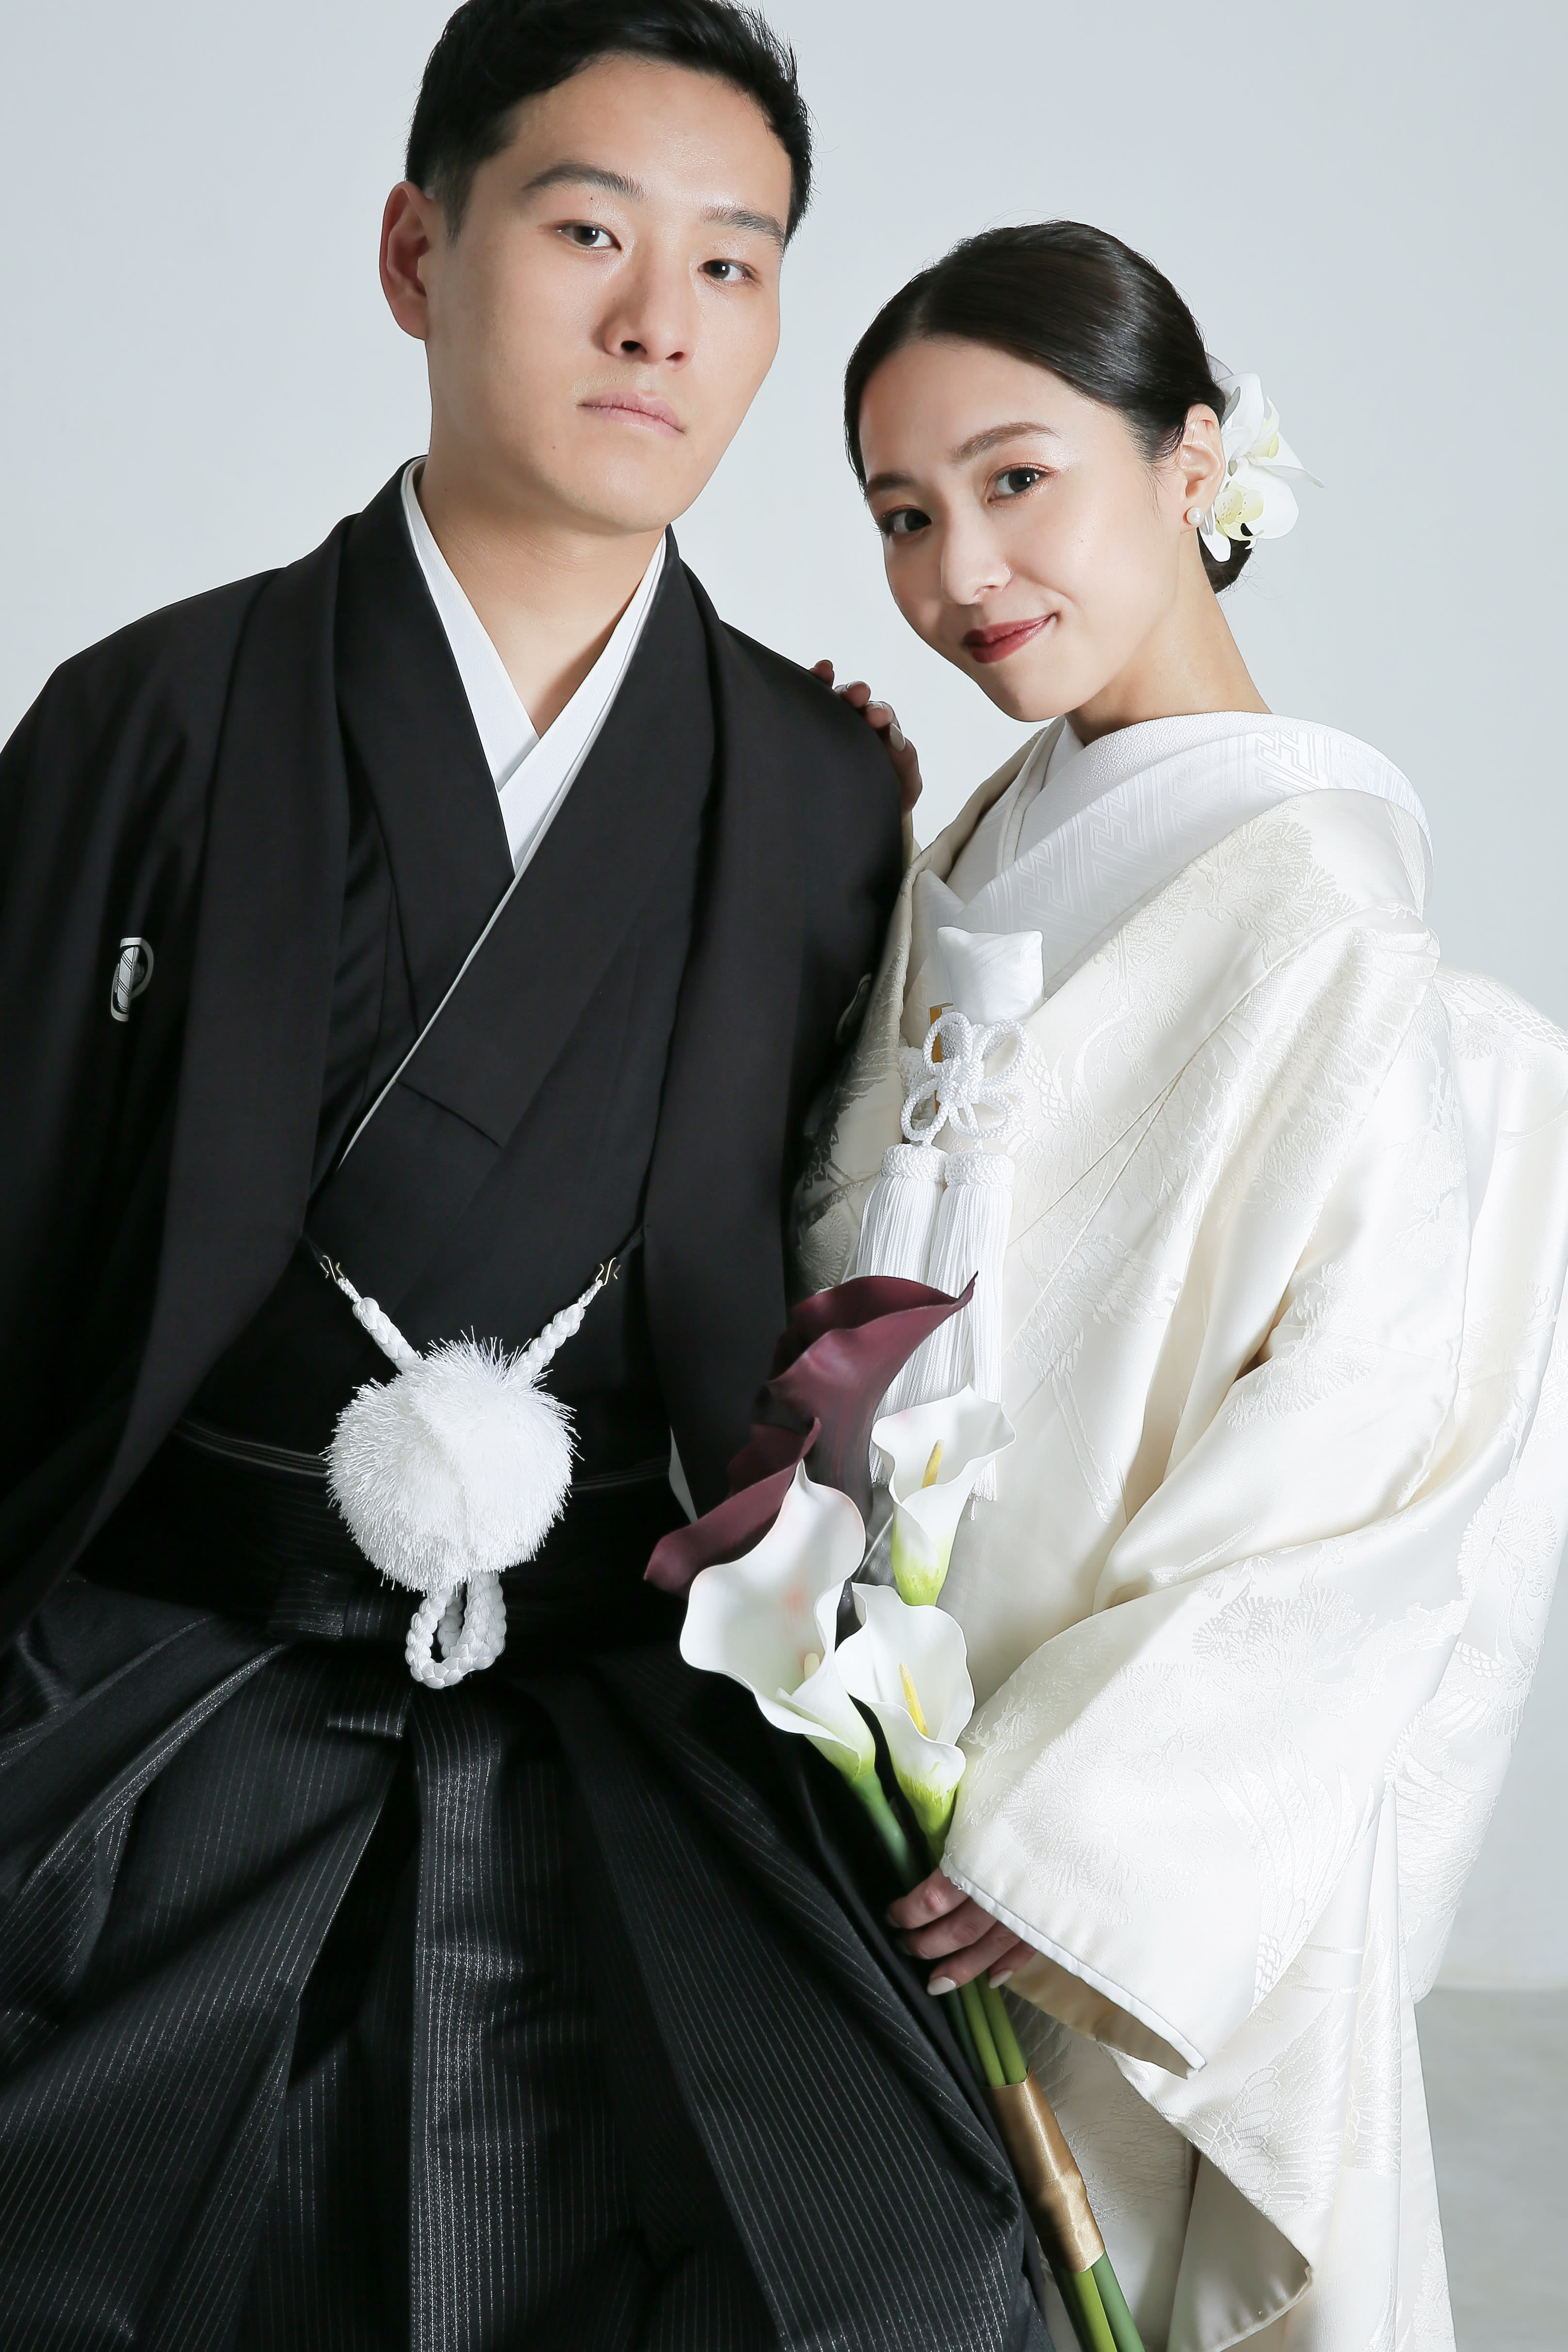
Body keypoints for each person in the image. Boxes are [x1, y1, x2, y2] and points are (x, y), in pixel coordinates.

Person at [0, 11, 1052, 2348]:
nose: (660, 320)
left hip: (616, 1688)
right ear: (418, 253)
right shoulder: (145, 719)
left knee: (888, 2264)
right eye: (588, 232)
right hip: (175, 1664)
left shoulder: (812, 790)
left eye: (732, 264)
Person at [800, 221, 1568, 2350]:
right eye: (902, 514)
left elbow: (1363, 1436)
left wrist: (1078, 1831)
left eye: (1016, 479)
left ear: (1192, 461)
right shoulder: (992, 827)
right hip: (889, 1723)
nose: (961, 571)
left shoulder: (1320, 900)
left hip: (1062, 1804)